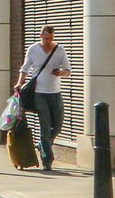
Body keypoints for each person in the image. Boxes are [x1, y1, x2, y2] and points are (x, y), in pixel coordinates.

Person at [14, 25, 72, 171]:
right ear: (41, 36)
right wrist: (19, 83)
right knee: (45, 126)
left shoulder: (59, 49)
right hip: (39, 94)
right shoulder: (33, 49)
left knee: (57, 126)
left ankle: (42, 145)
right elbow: (25, 68)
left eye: (51, 38)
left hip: (55, 93)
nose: (49, 41)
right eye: (46, 38)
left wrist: (61, 73)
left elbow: (68, 70)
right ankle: (47, 160)